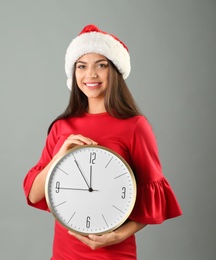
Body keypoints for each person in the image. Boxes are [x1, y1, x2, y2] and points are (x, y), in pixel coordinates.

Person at [22, 24, 182, 259]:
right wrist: (58, 157)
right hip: (64, 253)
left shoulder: (135, 126)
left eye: (101, 65)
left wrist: (117, 236)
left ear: (115, 71)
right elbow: (35, 195)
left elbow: (152, 201)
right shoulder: (61, 127)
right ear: (73, 73)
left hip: (114, 253)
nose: (91, 74)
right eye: (82, 66)